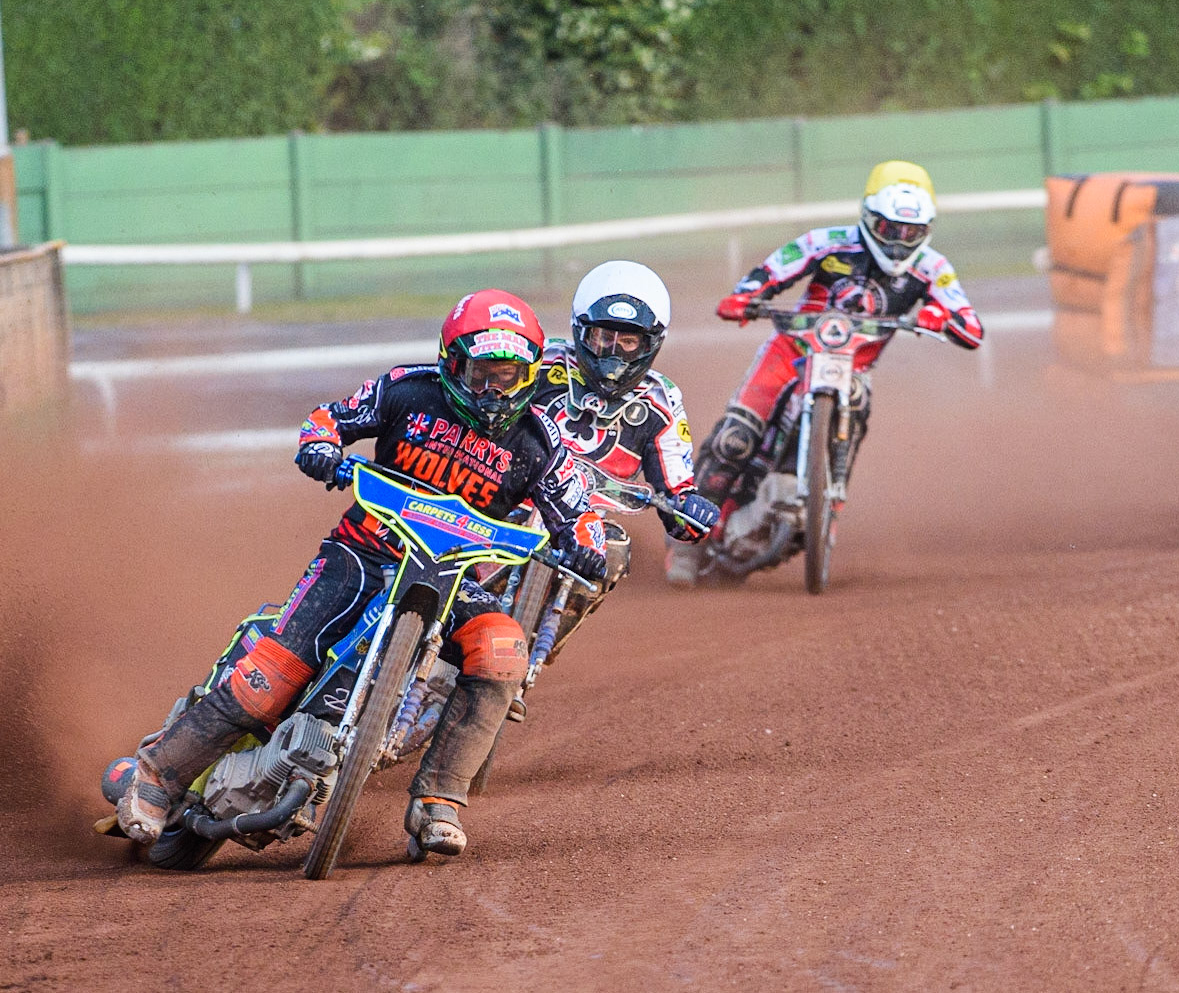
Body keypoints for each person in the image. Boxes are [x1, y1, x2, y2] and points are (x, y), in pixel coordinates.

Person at [116, 290, 609, 858]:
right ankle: (157, 775)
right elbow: (328, 419)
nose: (493, 388)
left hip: (452, 579)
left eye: (510, 374)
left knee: (503, 648)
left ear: (531, 372)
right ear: (452, 363)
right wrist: (321, 449)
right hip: (363, 554)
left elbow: (582, 513)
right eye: (481, 371)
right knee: (275, 672)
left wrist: (586, 547)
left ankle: (439, 802)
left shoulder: (542, 442)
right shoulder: (406, 389)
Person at [665, 160, 983, 583]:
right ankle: (687, 543)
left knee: (855, 407)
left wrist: (941, 319)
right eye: (890, 229)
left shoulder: (933, 268)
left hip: (852, 369)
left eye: (911, 233)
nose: (899, 242)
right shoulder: (829, 242)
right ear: (869, 219)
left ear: (926, 231)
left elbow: (970, 324)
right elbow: (776, 267)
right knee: (733, 440)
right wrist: (746, 295)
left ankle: (827, 503)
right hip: (789, 351)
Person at [519, 261, 719, 633]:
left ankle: (536, 647)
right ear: (581, 330)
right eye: (601, 338)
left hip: (585, 528)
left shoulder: (662, 401)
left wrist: (690, 509)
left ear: (650, 344)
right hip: (508, 493)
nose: (613, 355)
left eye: (627, 342)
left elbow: (677, 487)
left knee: (613, 548)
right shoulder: (539, 363)